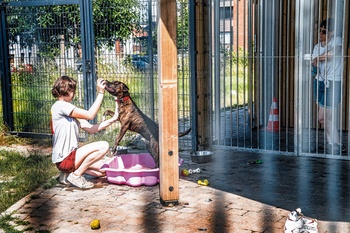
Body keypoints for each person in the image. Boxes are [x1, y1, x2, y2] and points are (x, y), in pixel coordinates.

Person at [51, 76, 118, 188]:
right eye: (72, 90)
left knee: (103, 171)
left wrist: (114, 119)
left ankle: (67, 175)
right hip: (66, 158)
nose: (74, 94)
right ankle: (76, 175)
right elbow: (90, 115)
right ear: (67, 90)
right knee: (104, 146)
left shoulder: (70, 110)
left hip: (72, 157)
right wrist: (101, 93)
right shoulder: (60, 106)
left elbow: (91, 129)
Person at [312, 18, 343, 154]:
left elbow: (332, 54)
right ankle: (331, 144)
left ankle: (338, 144)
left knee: (324, 118)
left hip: (333, 82)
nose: (321, 34)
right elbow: (313, 65)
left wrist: (318, 58)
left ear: (331, 32)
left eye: (324, 31)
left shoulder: (337, 41)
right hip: (319, 82)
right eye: (320, 30)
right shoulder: (317, 47)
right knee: (323, 120)